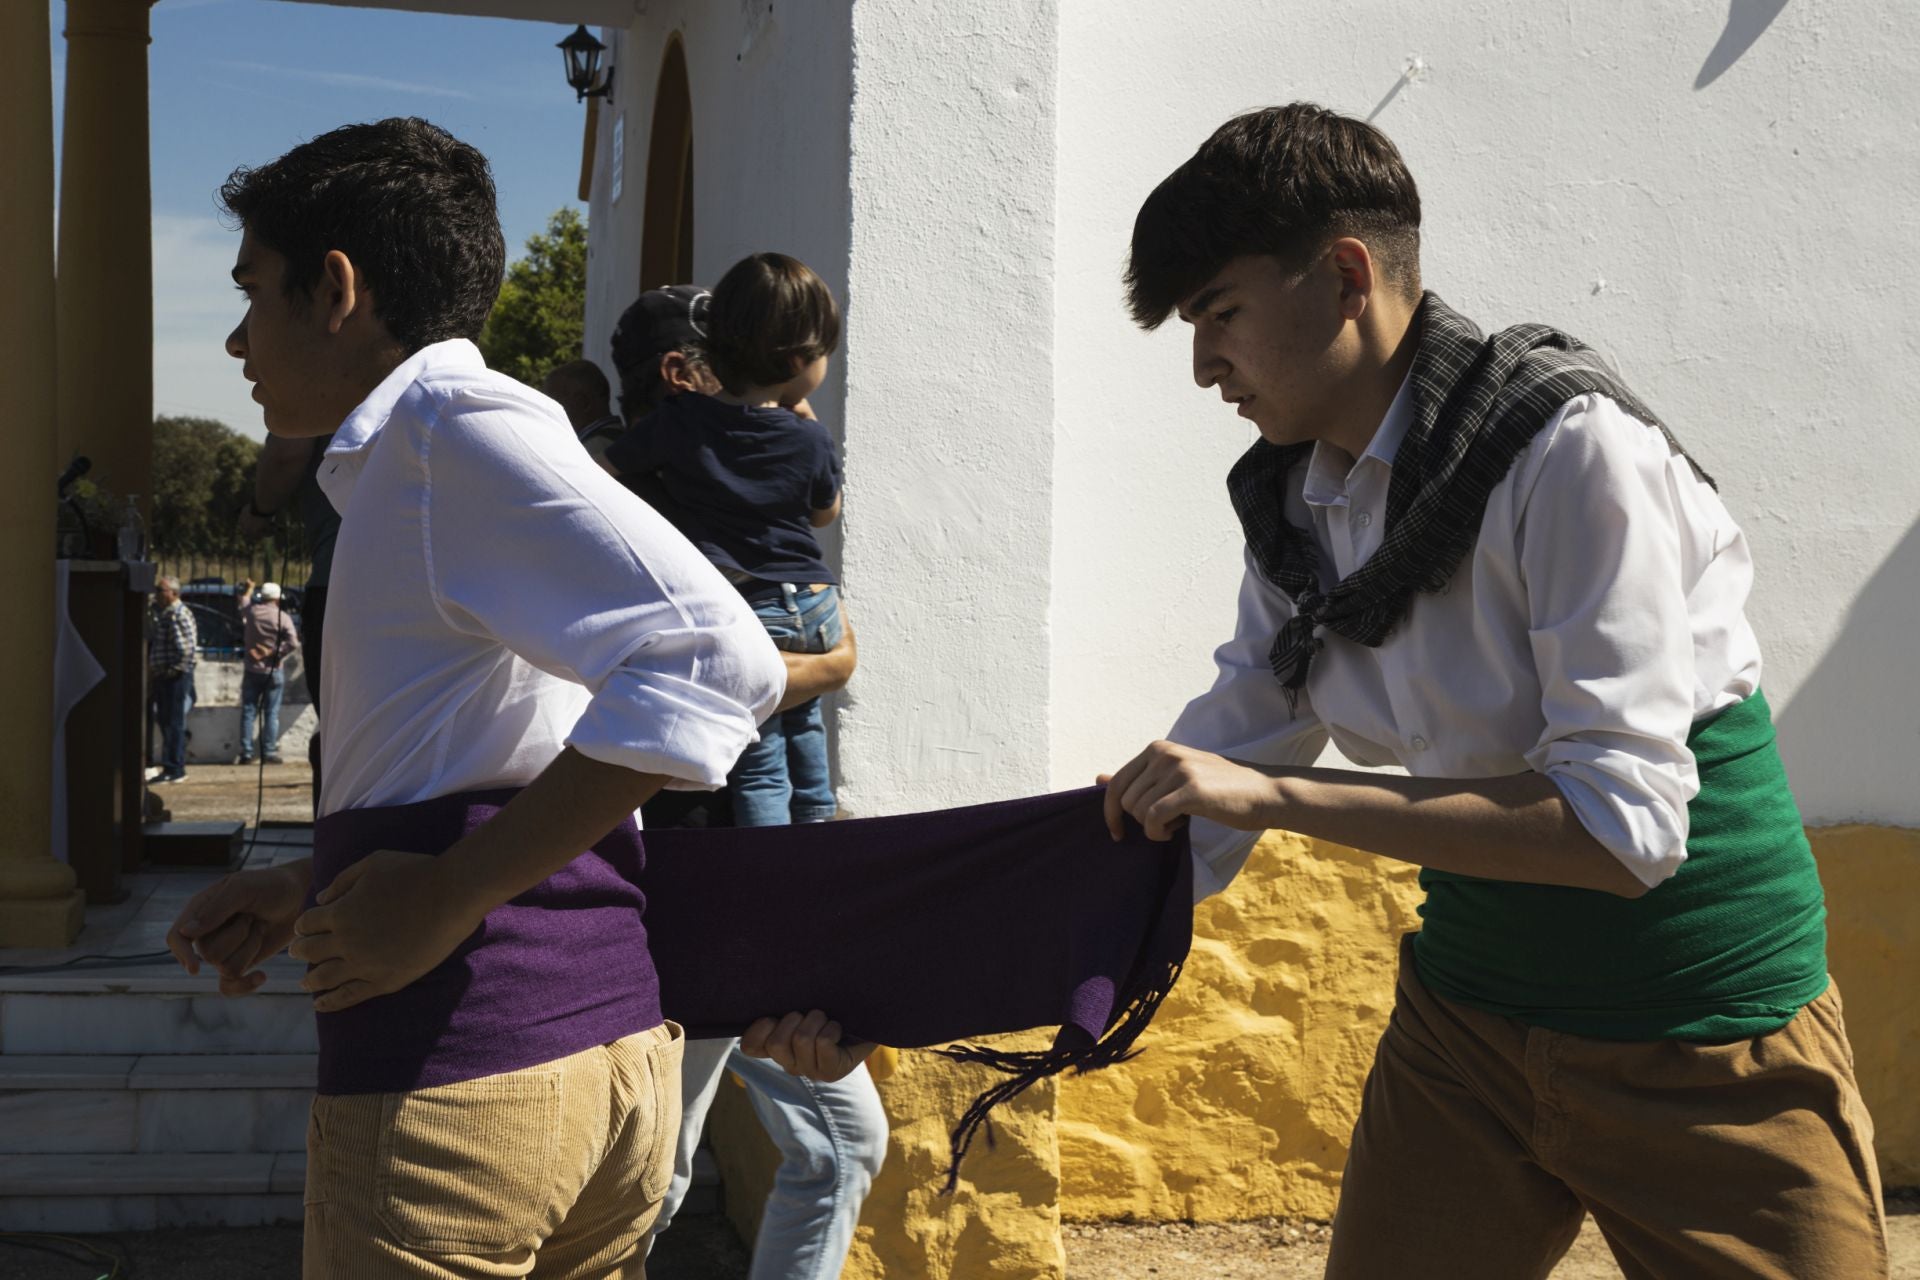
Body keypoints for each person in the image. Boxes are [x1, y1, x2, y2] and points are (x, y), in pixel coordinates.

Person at [1102, 103, 1888, 1279]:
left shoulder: (1573, 453)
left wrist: (1275, 797)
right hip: (1466, 1030)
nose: (1206, 364)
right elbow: (1203, 791)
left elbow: (1623, 829)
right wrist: (912, 985)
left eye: (1220, 314)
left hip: (1704, 1034)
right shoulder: (1295, 500)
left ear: (1348, 276)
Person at [161, 116, 840, 1278]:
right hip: (582, 1059)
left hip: (464, 1069)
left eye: (251, 291)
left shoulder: (445, 434)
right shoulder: (428, 453)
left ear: (337, 289)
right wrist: (309, 880)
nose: (233, 336)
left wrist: (451, 891)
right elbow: (488, 742)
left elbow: (719, 657)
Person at [607, 281, 888, 1279]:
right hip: (698, 894)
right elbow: (694, 699)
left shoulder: (664, 504)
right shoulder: (651, 540)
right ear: (684, 374)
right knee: (651, 1176)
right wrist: (824, 667)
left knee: (822, 1147)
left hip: (739, 902)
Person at [607, 253, 846, 829]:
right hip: (815, 603)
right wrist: (803, 421)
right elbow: (824, 514)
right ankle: (821, 841)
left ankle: (770, 862)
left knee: (760, 760)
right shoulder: (809, 437)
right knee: (809, 740)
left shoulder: (683, 424)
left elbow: (611, 466)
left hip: (749, 609)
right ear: (795, 361)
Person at [240, 431, 342, 812]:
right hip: (432, 577)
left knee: (338, 731)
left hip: (341, 583)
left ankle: (340, 856)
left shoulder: (314, 377)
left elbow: (288, 452)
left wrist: (259, 511)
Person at [236, 581, 299, 765]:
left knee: (248, 711)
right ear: (277, 599)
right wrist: (273, 652)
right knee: (271, 712)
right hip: (273, 669)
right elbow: (293, 642)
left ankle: (246, 752)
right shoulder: (282, 617)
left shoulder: (252, 612)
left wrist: (248, 587)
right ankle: (269, 751)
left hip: (252, 669)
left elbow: (243, 601)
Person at [148, 575, 196, 785]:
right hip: (168, 675)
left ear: (173, 593)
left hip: (174, 677)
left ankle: (174, 767)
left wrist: (172, 670)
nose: (157, 594)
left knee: (173, 722)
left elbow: (185, 649)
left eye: (161, 590)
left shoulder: (177, 614)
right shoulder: (168, 613)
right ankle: (172, 765)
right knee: (168, 721)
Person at [539, 357, 626, 466]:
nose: (547, 414)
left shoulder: (589, 452)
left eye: (554, 405)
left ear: (582, 403)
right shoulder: (623, 441)